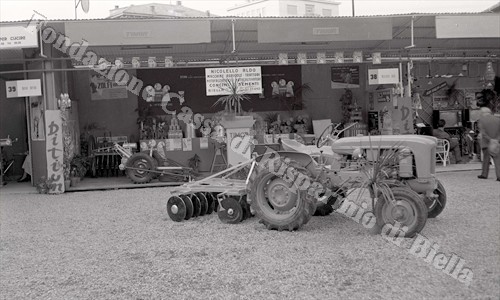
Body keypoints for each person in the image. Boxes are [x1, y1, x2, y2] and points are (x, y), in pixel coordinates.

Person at [477, 107, 500, 181]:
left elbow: (483, 132)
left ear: (483, 113)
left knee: (486, 159)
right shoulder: (498, 119)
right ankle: (499, 175)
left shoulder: (481, 121)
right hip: (497, 143)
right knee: (497, 160)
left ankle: (484, 174)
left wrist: (490, 140)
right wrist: (496, 140)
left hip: (486, 143)